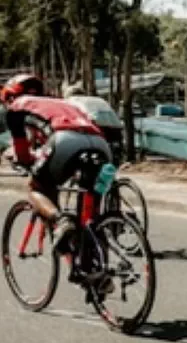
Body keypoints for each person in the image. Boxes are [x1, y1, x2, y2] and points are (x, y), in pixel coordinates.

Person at [1, 73, 114, 267]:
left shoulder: (16, 109)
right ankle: (93, 268)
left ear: (10, 97)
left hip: (65, 140)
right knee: (89, 216)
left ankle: (60, 220)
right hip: (100, 144)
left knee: (37, 187)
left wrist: (22, 159)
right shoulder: (59, 103)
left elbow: (24, 156)